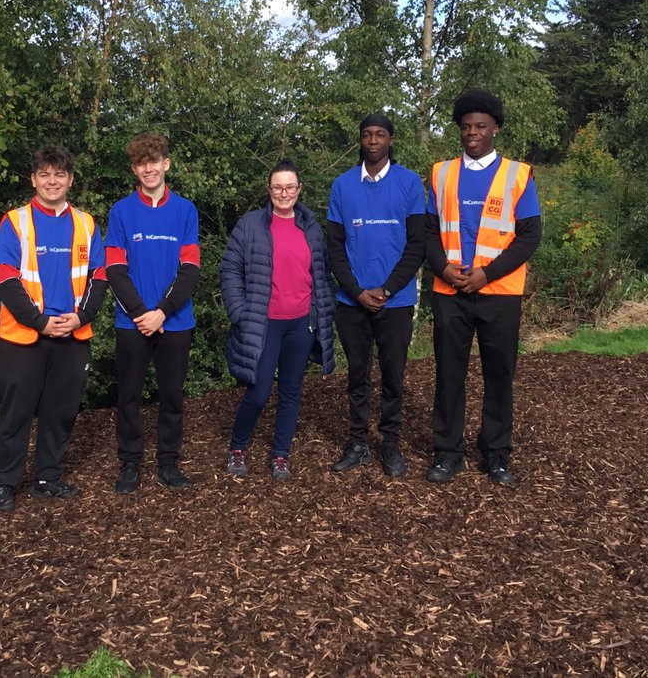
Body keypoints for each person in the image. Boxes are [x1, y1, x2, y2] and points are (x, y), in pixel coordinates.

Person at [425, 90, 542, 487]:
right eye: (465, 127)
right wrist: (442, 267)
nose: (471, 133)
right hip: (449, 292)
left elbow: (529, 236)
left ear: (495, 129)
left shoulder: (518, 174)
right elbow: (426, 231)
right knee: (449, 375)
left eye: (479, 126)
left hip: (500, 293)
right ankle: (447, 453)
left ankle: (496, 454)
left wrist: (486, 275)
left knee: (499, 375)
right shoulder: (441, 173)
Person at [0, 146, 108, 512]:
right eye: (45, 174)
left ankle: (47, 479)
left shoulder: (86, 224)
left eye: (59, 175)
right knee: (15, 414)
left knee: (61, 411)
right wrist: (41, 322)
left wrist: (80, 317)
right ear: (33, 179)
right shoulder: (15, 222)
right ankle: (3, 483)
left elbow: (99, 278)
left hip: (72, 336)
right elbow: (4, 280)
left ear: (70, 180)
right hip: (23, 338)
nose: (52, 181)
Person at [221, 159, 336, 480]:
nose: (283, 193)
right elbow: (230, 270)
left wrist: (321, 316)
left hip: (300, 325)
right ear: (269, 189)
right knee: (257, 393)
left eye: (289, 187)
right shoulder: (250, 225)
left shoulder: (312, 228)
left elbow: (321, 274)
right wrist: (239, 312)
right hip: (262, 323)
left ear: (299, 189)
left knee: (290, 392)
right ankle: (238, 447)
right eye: (277, 187)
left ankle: (281, 455)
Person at [326, 114, 426, 478]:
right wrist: (356, 291)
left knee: (393, 374)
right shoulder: (342, 185)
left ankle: (391, 443)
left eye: (380, 135)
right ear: (360, 141)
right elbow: (334, 247)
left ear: (391, 140)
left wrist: (386, 290)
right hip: (352, 302)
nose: (372, 140)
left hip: (395, 302)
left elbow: (417, 245)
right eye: (367, 135)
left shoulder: (410, 183)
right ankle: (357, 443)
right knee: (357, 375)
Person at [104, 132, 201, 493]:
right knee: (128, 394)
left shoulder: (186, 210)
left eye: (155, 161)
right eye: (142, 163)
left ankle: (168, 462)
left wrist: (161, 312)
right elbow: (114, 268)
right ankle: (129, 463)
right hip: (131, 322)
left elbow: (190, 269)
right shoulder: (122, 211)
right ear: (135, 169)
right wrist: (142, 313)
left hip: (175, 321)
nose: (149, 168)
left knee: (172, 395)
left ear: (166, 164)